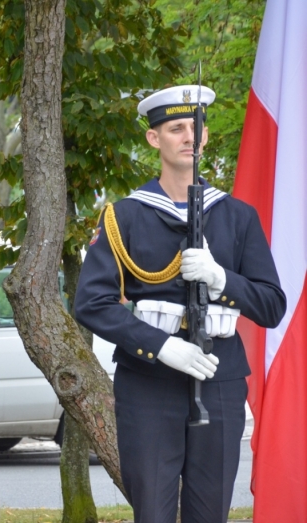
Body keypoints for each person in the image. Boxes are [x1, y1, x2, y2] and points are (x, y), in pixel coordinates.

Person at [74, 85, 286, 523]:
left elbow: (271, 306)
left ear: (206, 138)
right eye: (176, 128)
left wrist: (221, 278)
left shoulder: (236, 216)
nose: (189, 137)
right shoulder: (125, 216)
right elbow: (91, 304)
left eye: (196, 128)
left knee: (210, 515)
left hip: (220, 378)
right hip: (149, 382)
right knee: (152, 512)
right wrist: (161, 345)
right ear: (155, 139)